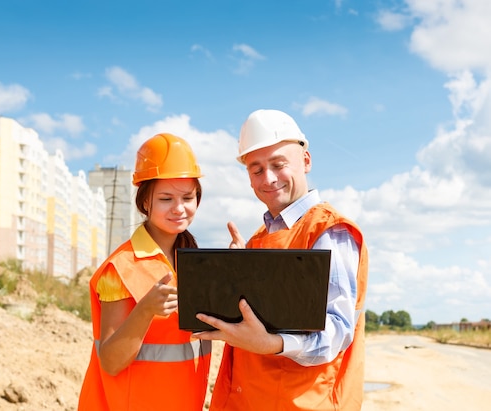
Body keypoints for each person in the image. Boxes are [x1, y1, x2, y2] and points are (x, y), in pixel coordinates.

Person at [195, 109, 368, 411]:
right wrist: (232, 279)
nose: (269, 178)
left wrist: (274, 345)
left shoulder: (329, 232)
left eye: (278, 164)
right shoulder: (260, 236)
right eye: (256, 169)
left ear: (306, 161)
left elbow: (338, 331)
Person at [78, 133, 211, 411]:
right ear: (145, 202)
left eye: (188, 197)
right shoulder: (121, 268)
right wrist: (145, 310)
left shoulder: (194, 264)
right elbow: (111, 362)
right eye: (166, 198)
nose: (179, 208)